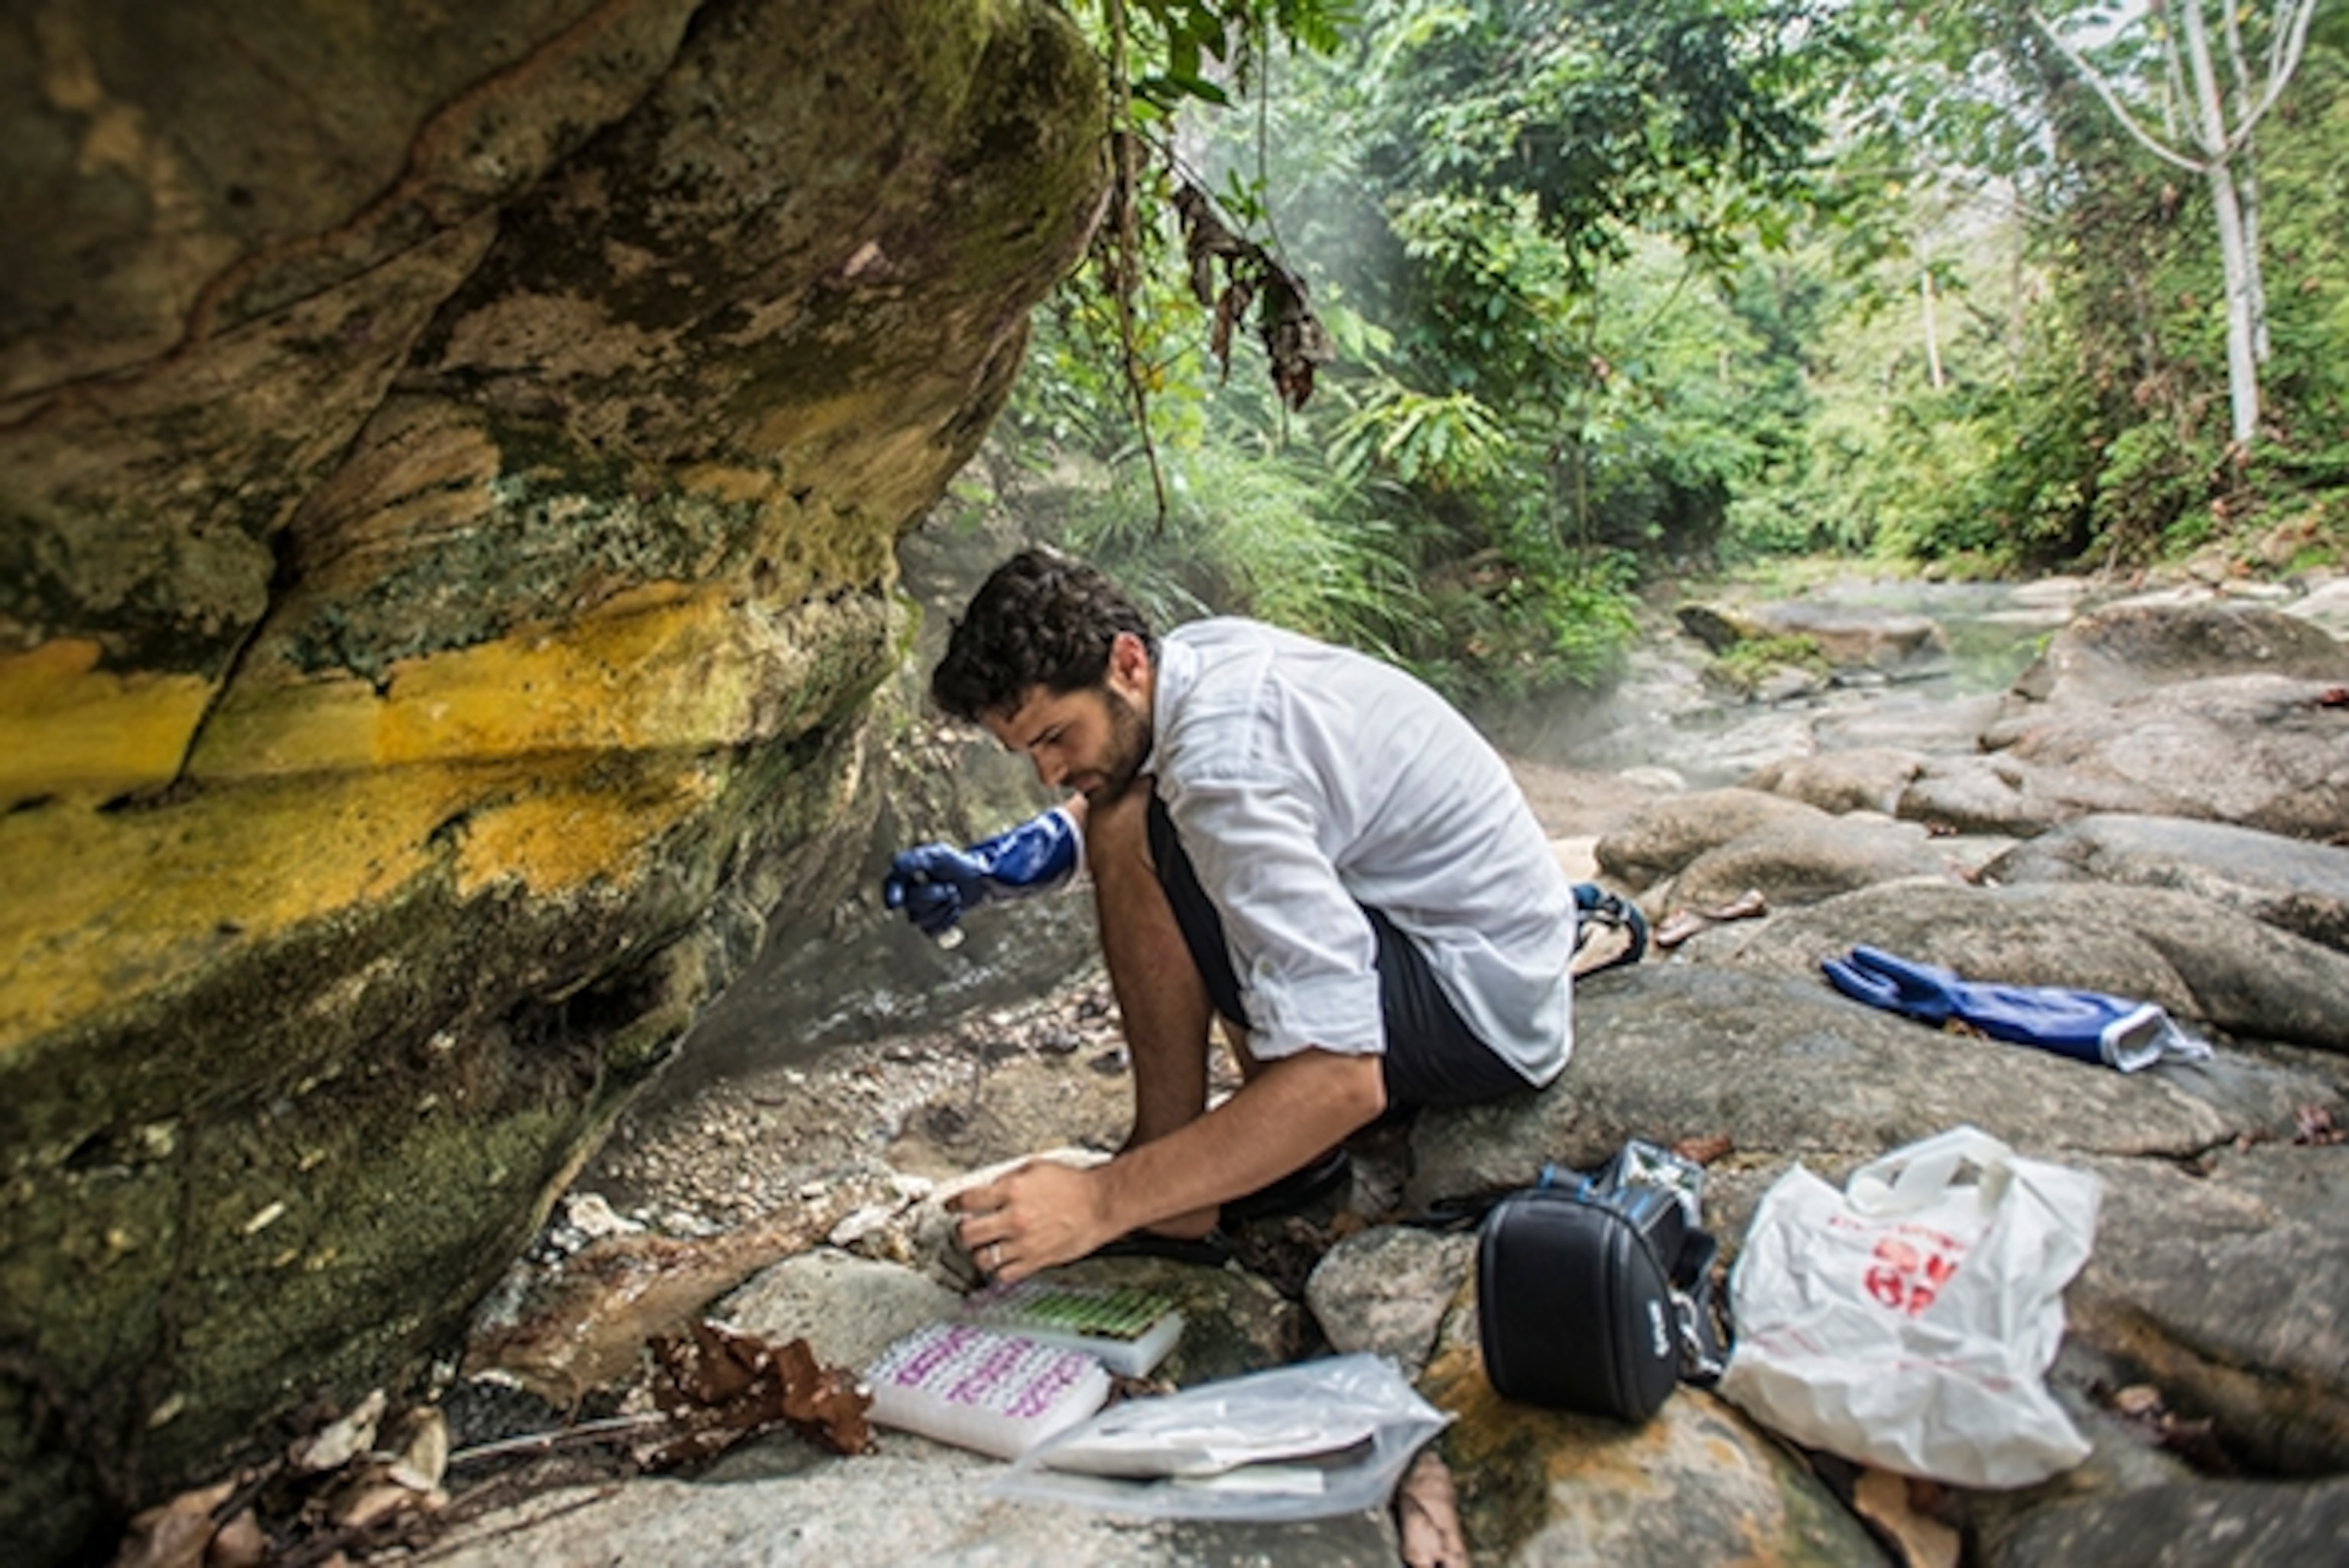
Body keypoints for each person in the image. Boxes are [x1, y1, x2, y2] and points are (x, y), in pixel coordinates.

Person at [884, 549, 1577, 1282]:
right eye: (1027, 751)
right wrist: (1002, 864)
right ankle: (1220, 1161)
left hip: (1478, 1009)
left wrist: (1099, 1200)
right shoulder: (1196, 663)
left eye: (1056, 737)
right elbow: (1134, 784)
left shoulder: (1225, 768)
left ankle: (1207, 1182)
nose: (1048, 774)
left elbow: (1344, 1076)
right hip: (1477, 949)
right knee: (1124, 808)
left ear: (1125, 663)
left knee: (1128, 818)